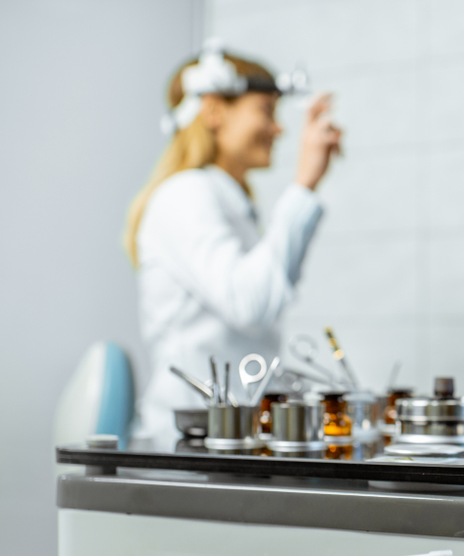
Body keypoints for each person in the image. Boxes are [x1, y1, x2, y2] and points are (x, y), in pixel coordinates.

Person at [123, 42, 342, 447]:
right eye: (266, 111)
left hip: (225, 436)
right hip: (188, 442)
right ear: (213, 111)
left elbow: (261, 304)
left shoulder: (227, 201)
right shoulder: (185, 196)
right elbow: (252, 304)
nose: (278, 129)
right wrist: (304, 184)